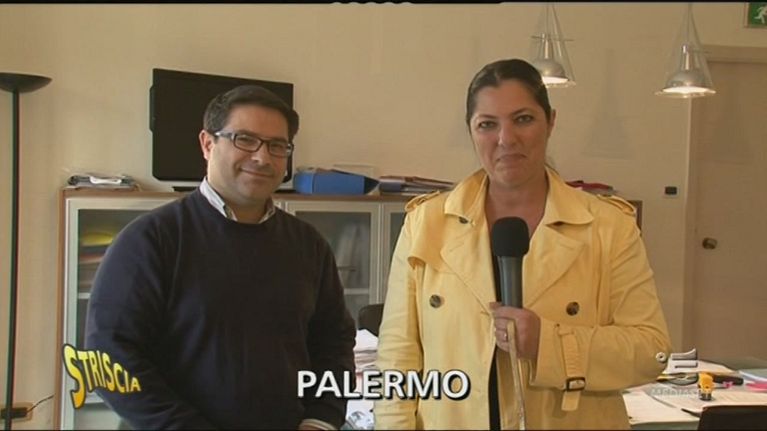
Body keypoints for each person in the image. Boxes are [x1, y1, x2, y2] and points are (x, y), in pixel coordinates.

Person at [374, 59, 672, 429]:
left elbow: (650, 351)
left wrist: (549, 344)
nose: (506, 139)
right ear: (471, 131)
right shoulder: (426, 224)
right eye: (487, 124)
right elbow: (397, 358)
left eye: (523, 119)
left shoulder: (608, 227)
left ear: (551, 122)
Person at [85, 85, 356, 430]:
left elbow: (333, 341)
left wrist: (320, 420)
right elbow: (108, 356)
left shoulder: (308, 244)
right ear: (207, 143)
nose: (262, 157)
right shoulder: (151, 239)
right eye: (245, 139)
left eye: (277, 146)